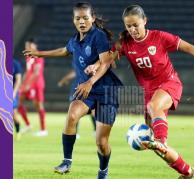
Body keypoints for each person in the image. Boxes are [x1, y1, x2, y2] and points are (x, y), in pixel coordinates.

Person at [85, 5, 194, 179]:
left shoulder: (159, 37)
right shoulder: (125, 43)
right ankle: (187, 171)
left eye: (136, 25)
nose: (133, 30)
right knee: (154, 146)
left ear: (145, 21)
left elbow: (188, 47)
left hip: (169, 84)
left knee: (156, 126)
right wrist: (95, 66)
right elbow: (107, 60)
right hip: (150, 94)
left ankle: (161, 141)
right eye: (129, 26)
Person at [23, 2, 122, 179]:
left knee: (101, 142)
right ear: (73, 20)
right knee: (72, 114)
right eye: (78, 18)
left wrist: (91, 81)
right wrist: (39, 54)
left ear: (92, 18)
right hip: (87, 90)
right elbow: (64, 50)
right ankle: (66, 161)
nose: (82, 21)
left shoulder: (98, 36)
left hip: (106, 91)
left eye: (85, 17)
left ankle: (103, 171)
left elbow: (106, 62)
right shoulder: (75, 40)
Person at [18, 38, 47, 137]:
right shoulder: (28, 57)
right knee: (17, 102)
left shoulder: (38, 56)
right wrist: (22, 83)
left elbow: (36, 72)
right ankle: (27, 124)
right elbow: (28, 71)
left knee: (38, 106)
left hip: (36, 84)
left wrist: (28, 85)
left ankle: (43, 130)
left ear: (34, 46)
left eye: (28, 46)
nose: (27, 48)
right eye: (26, 46)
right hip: (27, 84)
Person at [58, 65, 96, 139]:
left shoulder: (83, 57)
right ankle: (93, 131)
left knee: (89, 110)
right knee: (86, 110)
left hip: (84, 87)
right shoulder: (76, 57)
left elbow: (75, 72)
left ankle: (95, 130)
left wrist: (64, 79)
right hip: (78, 87)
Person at [13, 59, 22, 140]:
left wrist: (14, 92)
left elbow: (18, 80)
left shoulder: (15, 64)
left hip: (12, 91)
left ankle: (18, 131)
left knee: (14, 114)